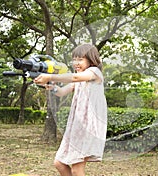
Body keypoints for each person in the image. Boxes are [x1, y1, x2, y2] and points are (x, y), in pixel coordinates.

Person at [34, 44, 107, 176]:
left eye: (80, 59)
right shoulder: (79, 77)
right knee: (59, 163)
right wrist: (52, 87)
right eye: (74, 59)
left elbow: (75, 77)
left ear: (91, 59)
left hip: (87, 127)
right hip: (76, 126)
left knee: (76, 169)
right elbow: (62, 92)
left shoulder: (94, 72)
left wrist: (50, 77)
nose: (76, 63)